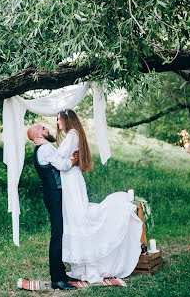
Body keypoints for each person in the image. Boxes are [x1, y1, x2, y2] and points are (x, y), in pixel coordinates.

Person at [33, 109, 143, 283]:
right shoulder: (70, 136)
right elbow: (60, 159)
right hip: (69, 179)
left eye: (59, 119)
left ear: (67, 119)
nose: (57, 123)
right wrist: (67, 158)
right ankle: (82, 267)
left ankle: (89, 266)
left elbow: (61, 161)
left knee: (79, 218)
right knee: (75, 220)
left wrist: (68, 160)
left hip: (70, 179)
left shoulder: (72, 134)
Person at [27, 123, 78, 290]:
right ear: (37, 135)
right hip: (54, 195)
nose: (47, 129)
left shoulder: (44, 148)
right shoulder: (46, 149)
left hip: (52, 195)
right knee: (57, 234)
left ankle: (61, 273)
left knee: (60, 233)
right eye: (43, 128)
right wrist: (74, 160)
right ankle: (57, 279)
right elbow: (62, 165)